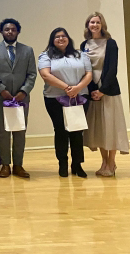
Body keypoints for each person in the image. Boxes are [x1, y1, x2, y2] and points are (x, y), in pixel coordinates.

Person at [0, 18, 37, 179]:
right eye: (7, 29)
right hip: (0, 98)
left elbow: (32, 74)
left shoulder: (27, 50)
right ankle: (5, 165)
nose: (10, 32)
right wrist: (2, 90)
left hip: (21, 99)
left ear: (18, 32)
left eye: (13, 29)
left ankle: (19, 165)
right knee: (2, 132)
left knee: (20, 132)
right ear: (1, 31)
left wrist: (24, 91)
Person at [39, 27, 93, 178]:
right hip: (55, 99)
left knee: (77, 132)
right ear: (52, 40)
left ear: (68, 38)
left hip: (79, 98)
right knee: (61, 131)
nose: (61, 39)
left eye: (63, 36)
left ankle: (77, 165)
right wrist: (67, 88)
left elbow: (89, 74)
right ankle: (62, 163)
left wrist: (77, 89)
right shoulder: (45, 55)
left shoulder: (81, 55)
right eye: (57, 37)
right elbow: (45, 75)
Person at [81, 12, 129, 176]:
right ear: (88, 25)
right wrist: (91, 91)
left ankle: (111, 162)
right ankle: (103, 162)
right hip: (92, 91)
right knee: (99, 128)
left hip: (108, 91)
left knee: (111, 126)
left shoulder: (111, 43)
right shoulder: (84, 45)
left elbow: (112, 69)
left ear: (102, 25)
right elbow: (84, 69)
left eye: (97, 22)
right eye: (91, 22)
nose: (94, 25)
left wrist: (102, 91)